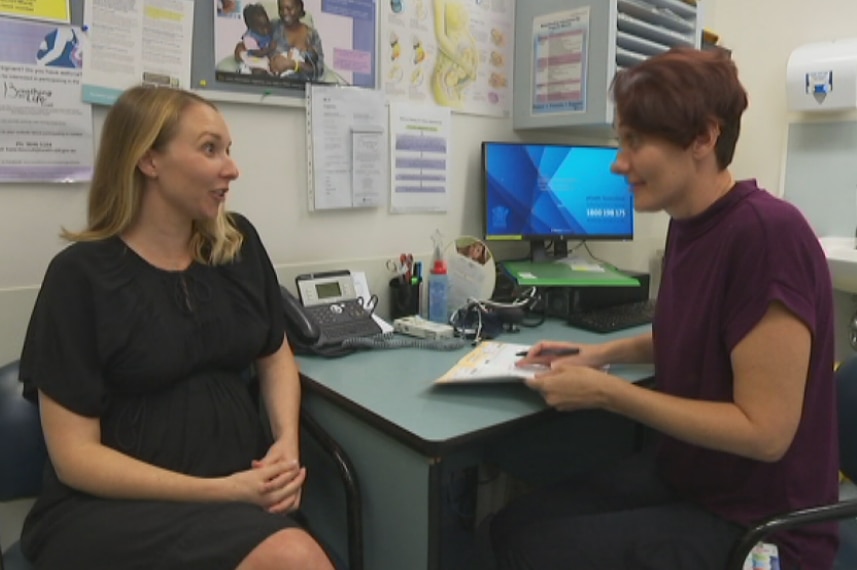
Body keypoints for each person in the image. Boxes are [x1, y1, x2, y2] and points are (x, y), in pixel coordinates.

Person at [485, 47, 839, 570]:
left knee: (532, 549)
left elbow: (765, 433)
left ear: (704, 137)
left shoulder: (768, 235)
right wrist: (598, 355)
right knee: (515, 523)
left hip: (760, 525)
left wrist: (610, 394)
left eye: (635, 142)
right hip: (695, 479)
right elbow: (701, 335)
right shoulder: (689, 223)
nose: (617, 162)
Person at [17, 85, 334, 570]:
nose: (231, 168)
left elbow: (275, 356)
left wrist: (285, 445)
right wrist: (220, 492)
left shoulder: (238, 246)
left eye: (228, 150)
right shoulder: (80, 277)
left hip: (239, 495)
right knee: (294, 558)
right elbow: (74, 458)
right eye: (210, 149)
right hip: (110, 513)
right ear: (149, 159)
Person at [268, 0, 325, 81]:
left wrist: (293, 65)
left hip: (301, 88)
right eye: (281, 9)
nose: (284, 12)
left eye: (289, 8)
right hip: (274, 85)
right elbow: (257, 46)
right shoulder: (273, 27)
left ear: (299, 8)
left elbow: (319, 70)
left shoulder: (312, 35)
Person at [234, 3, 277, 75]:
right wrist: (269, 49)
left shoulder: (271, 29)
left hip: (265, 58)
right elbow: (256, 53)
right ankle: (244, 70)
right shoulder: (249, 38)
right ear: (251, 26)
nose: (265, 30)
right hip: (254, 59)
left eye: (266, 25)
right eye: (261, 27)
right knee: (257, 71)